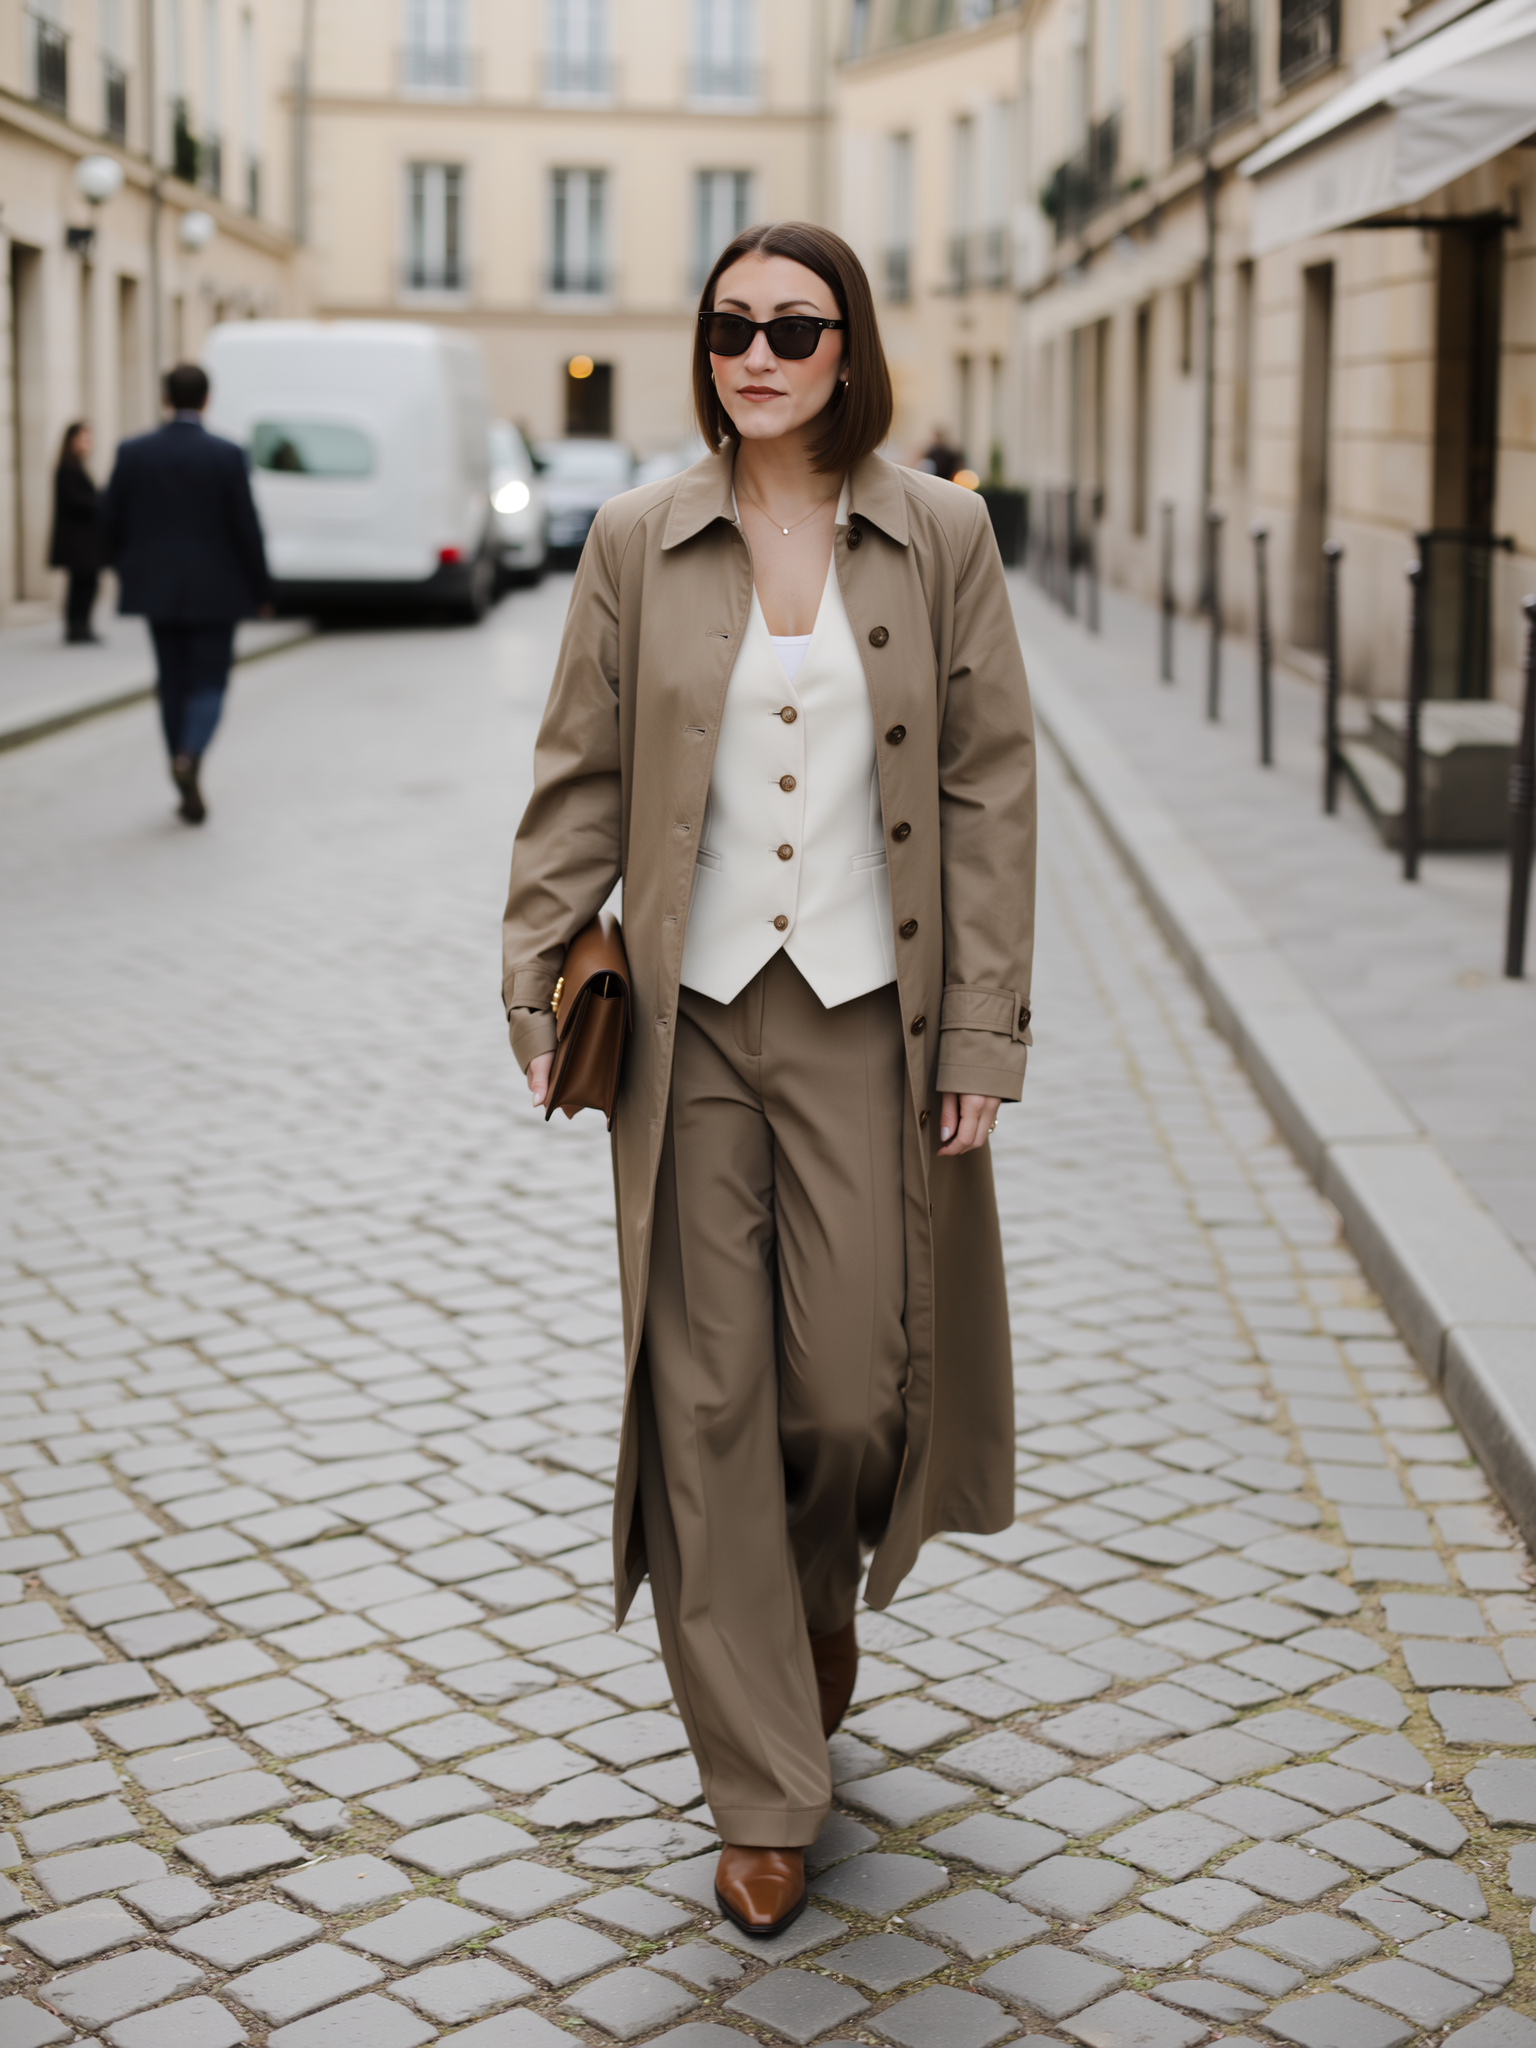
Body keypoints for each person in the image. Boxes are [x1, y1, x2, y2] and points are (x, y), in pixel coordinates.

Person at [500, 222, 1036, 1940]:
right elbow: (579, 763)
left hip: (870, 1014)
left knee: (855, 1392)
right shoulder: (638, 539)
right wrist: (537, 961)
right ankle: (758, 1786)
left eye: (793, 327)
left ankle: (815, 1601)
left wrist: (983, 1033)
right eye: (730, 324)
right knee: (708, 1391)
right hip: (691, 1022)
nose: (757, 351)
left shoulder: (941, 530)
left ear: (847, 344)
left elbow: (987, 789)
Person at [100, 362, 271, 825]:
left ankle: (178, 758)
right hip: (218, 591)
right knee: (210, 682)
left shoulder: (133, 451)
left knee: (171, 683)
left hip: (155, 590)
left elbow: (108, 521)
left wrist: (129, 569)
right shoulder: (227, 454)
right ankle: (190, 756)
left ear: (165, 398)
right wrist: (262, 589)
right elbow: (246, 528)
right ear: (207, 399)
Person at [49, 421, 105, 644]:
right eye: (83, 439)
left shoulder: (77, 466)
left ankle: (81, 625)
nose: (87, 444)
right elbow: (75, 502)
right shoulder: (66, 468)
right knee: (81, 584)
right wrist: (100, 501)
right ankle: (76, 627)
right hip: (76, 540)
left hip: (83, 540)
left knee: (86, 583)